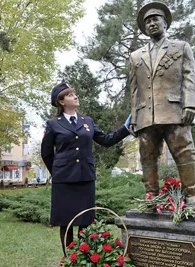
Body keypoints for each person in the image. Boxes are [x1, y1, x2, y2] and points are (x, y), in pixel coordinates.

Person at [40, 82, 131, 256]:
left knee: (85, 221)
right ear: (61, 101)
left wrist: (126, 128)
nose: (76, 96)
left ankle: (83, 258)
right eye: (70, 94)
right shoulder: (53, 124)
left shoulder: (87, 121)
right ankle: (68, 259)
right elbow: (46, 154)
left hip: (85, 178)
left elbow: (106, 140)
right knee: (65, 223)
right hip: (64, 181)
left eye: (75, 93)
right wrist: (58, 172)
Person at [129, 2, 195, 204]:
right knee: (147, 157)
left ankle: (192, 194)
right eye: (147, 21)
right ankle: (152, 197)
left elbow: (189, 76)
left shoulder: (181, 47)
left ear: (165, 23)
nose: (151, 24)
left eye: (155, 19)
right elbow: (134, 89)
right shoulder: (135, 56)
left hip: (174, 110)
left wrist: (190, 104)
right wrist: (134, 118)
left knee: (184, 151)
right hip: (146, 114)